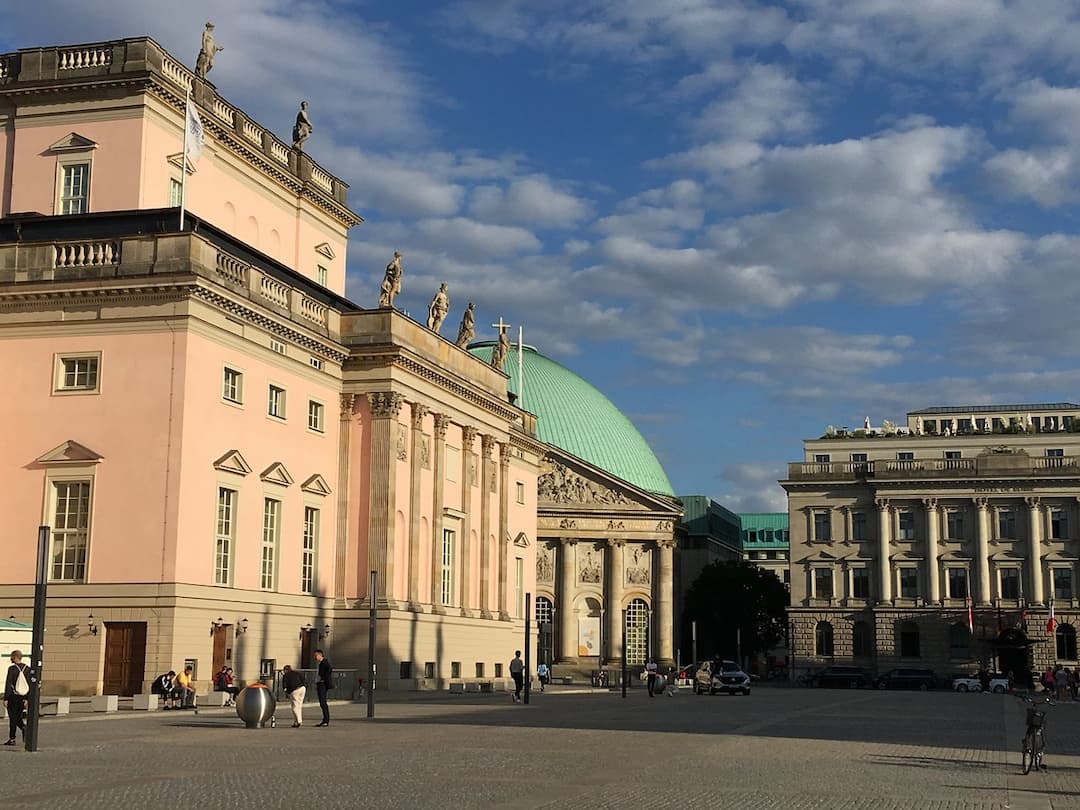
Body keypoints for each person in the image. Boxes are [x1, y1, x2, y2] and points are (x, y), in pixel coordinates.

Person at [4, 650, 30, 745]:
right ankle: (24, 728)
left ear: (14, 657)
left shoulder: (12, 669)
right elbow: (29, 685)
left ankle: (12, 739)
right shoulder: (27, 669)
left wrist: (6, 698)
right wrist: (27, 698)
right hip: (23, 697)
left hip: (13, 697)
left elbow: (9, 683)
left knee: (13, 718)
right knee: (18, 716)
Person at [314, 649, 332, 726]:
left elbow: (329, 670)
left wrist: (323, 679)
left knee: (323, 702)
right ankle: (325, 719)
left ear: (320, 655)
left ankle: (326, 720)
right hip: (320, 683)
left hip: (322, 684)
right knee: (322, 703)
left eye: (315, 656)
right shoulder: (321, 663)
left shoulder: (324, 663)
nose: (314, 657)